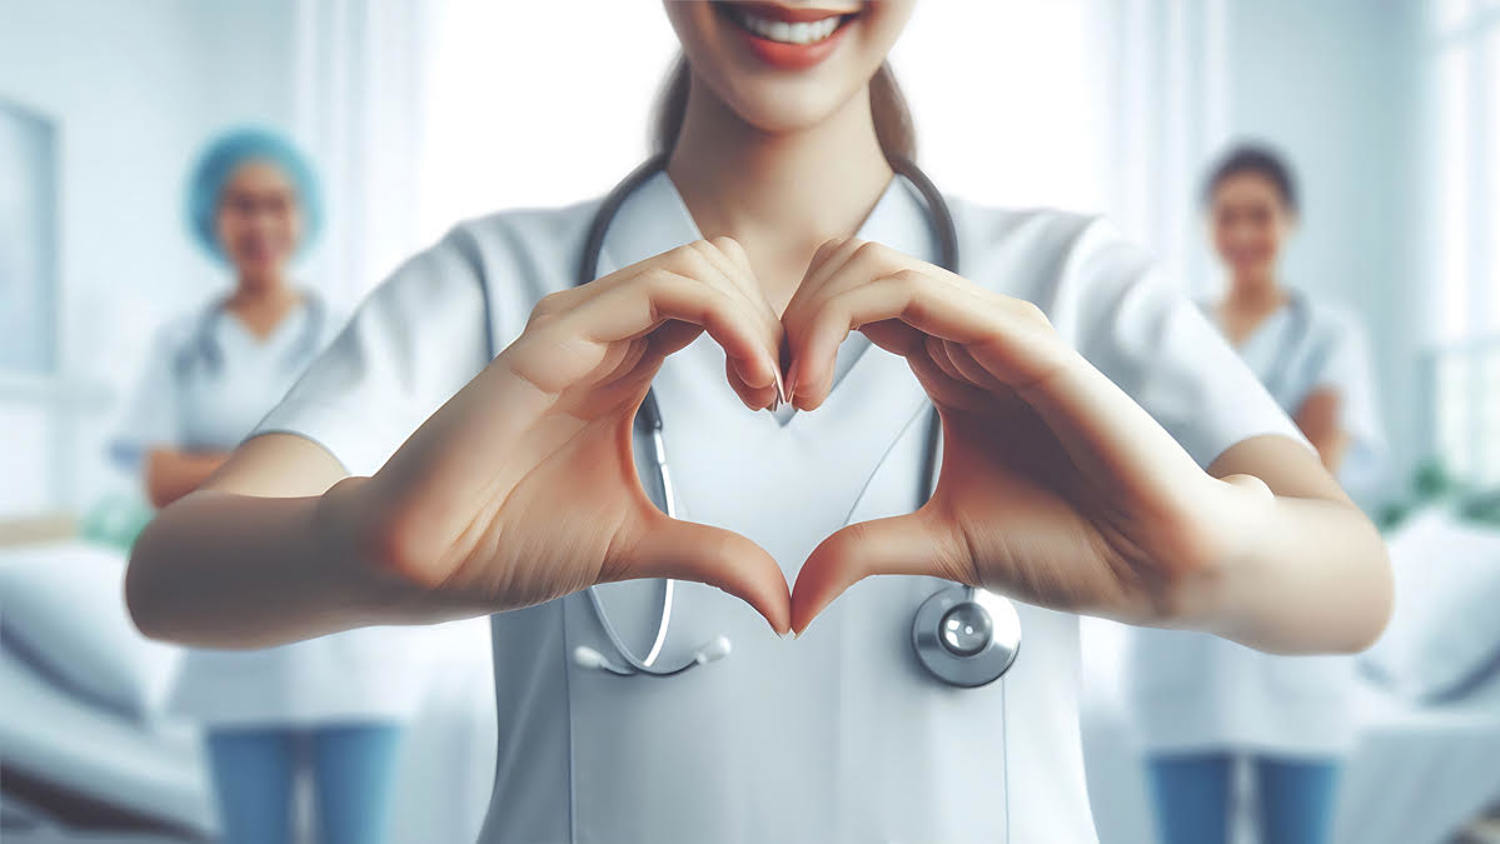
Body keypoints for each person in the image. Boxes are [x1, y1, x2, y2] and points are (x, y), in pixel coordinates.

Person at [123, 5, 1393, 842]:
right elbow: (176, 574)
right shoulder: (499, 282)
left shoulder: (1065, 282)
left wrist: (1202, 556)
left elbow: (1353, 584)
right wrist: (367, 547)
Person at [110, 127, 418, 844]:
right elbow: (159, 482)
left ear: (304, 216)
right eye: (242, 205)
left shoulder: (353, 335)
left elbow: (376, 467)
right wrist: (302, 460)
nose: (261, 223)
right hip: (231, 639)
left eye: (278, 204)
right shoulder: (180, 345)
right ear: (211, 217)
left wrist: (218, 471)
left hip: (352, 641)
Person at [1120, 143, 1388, 844]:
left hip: (1300, 631)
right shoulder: (1172, 331)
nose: (1243, 234)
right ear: (1207, 224)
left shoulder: (1329, 333)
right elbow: (1136, 466)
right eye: (1228, 216)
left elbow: (1317, 473)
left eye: (1260, 215)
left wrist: (1200, 480)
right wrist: (1271, 461)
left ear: (1290, 222)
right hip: (1187, 632)